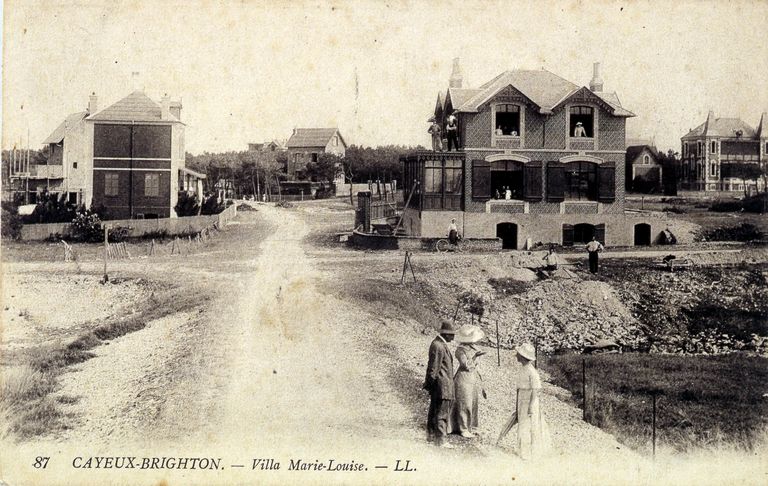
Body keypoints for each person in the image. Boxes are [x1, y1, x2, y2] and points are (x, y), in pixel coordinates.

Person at [424, 320, 458, 448]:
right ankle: (441, 440)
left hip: (440, 384)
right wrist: (430, 383)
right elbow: (433, 368)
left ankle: (431, 435)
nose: (453, 337)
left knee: (435, 410)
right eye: (451, 335)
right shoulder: (438, 346)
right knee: (441, 413)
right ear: (445, 334)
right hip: (442, 385)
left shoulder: (439, 344)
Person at [514, 343, 551, 459]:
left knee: (528, 426)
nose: (516, 356)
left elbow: (535, 389)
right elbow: (519, 388)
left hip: (530, 399)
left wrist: (531, 405)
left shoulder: (532, 371)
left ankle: (529, 453)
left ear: (523, 357)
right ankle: (522, 450)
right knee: (522, 424)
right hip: (522, 398)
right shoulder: (523, 369)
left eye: (518, 354)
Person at [451, 325, 487, 438]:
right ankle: (463, 428)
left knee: (473, 402)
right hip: (463, 378)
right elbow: (466, 365)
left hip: (472, 378)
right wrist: (475, 357)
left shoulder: (473, 348)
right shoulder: (460, 350)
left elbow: (475, 367)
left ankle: (472, 426)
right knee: (464, 402)